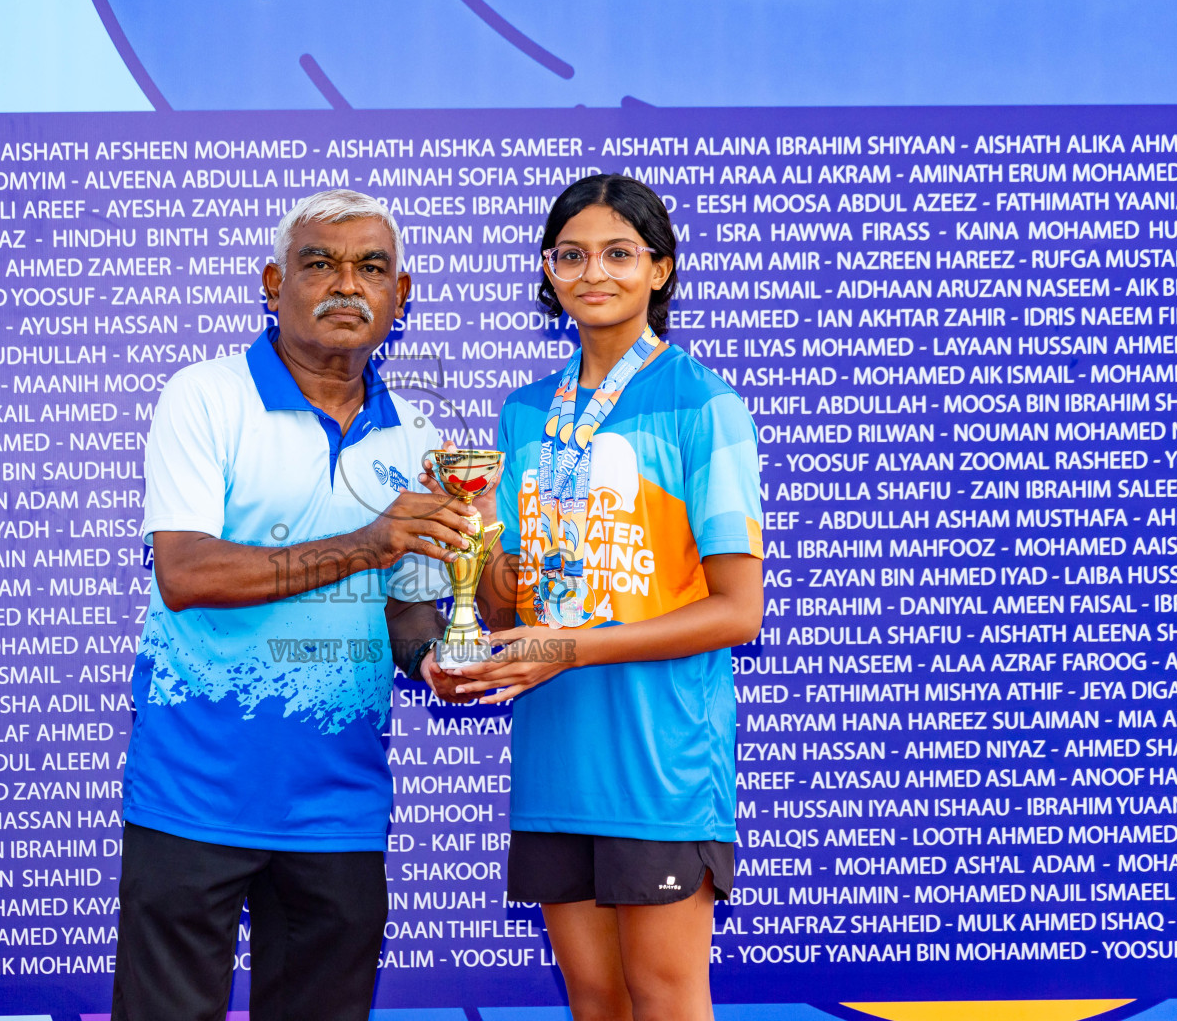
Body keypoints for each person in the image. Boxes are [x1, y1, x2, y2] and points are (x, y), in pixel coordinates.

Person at [113, 189, 474, 1021]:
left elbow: (408, 612)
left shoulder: (420, 439)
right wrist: (367, 542)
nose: (346, 284)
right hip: (194, 793)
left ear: (402, 295)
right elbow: (189, 572)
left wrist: (438, 661)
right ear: (274, 284)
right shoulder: (205, 397)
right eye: (320, 264)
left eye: (371, 268)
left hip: (340, 810)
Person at [440, 174, 765, 1021]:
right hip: (557, 756)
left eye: (620, 254)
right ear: (548, 271)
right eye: (572, 255)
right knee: (595, 1001)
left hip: (658, 760)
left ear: (660, 270)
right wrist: (482, 570)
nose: (595, 273)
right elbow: (517, 608)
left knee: (663, 998)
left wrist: (568, 648)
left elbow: (738, 610)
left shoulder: (703, 403)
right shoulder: (522, 415)